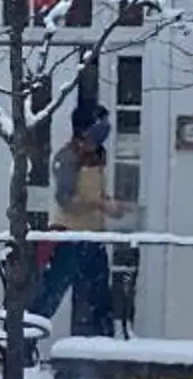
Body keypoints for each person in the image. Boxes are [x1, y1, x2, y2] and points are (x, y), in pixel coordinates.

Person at [28, 102, 126, 337]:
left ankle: (103, 351)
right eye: (100, 124)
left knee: (100, 299)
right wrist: (101, 204)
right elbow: (66, 200)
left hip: (93, 237)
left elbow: (95, 193)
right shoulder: (67, 158)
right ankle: (23, 342)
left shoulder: (98, 156)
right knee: (50, 296)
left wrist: (111, 205)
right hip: (68, 237)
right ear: (84, 129)